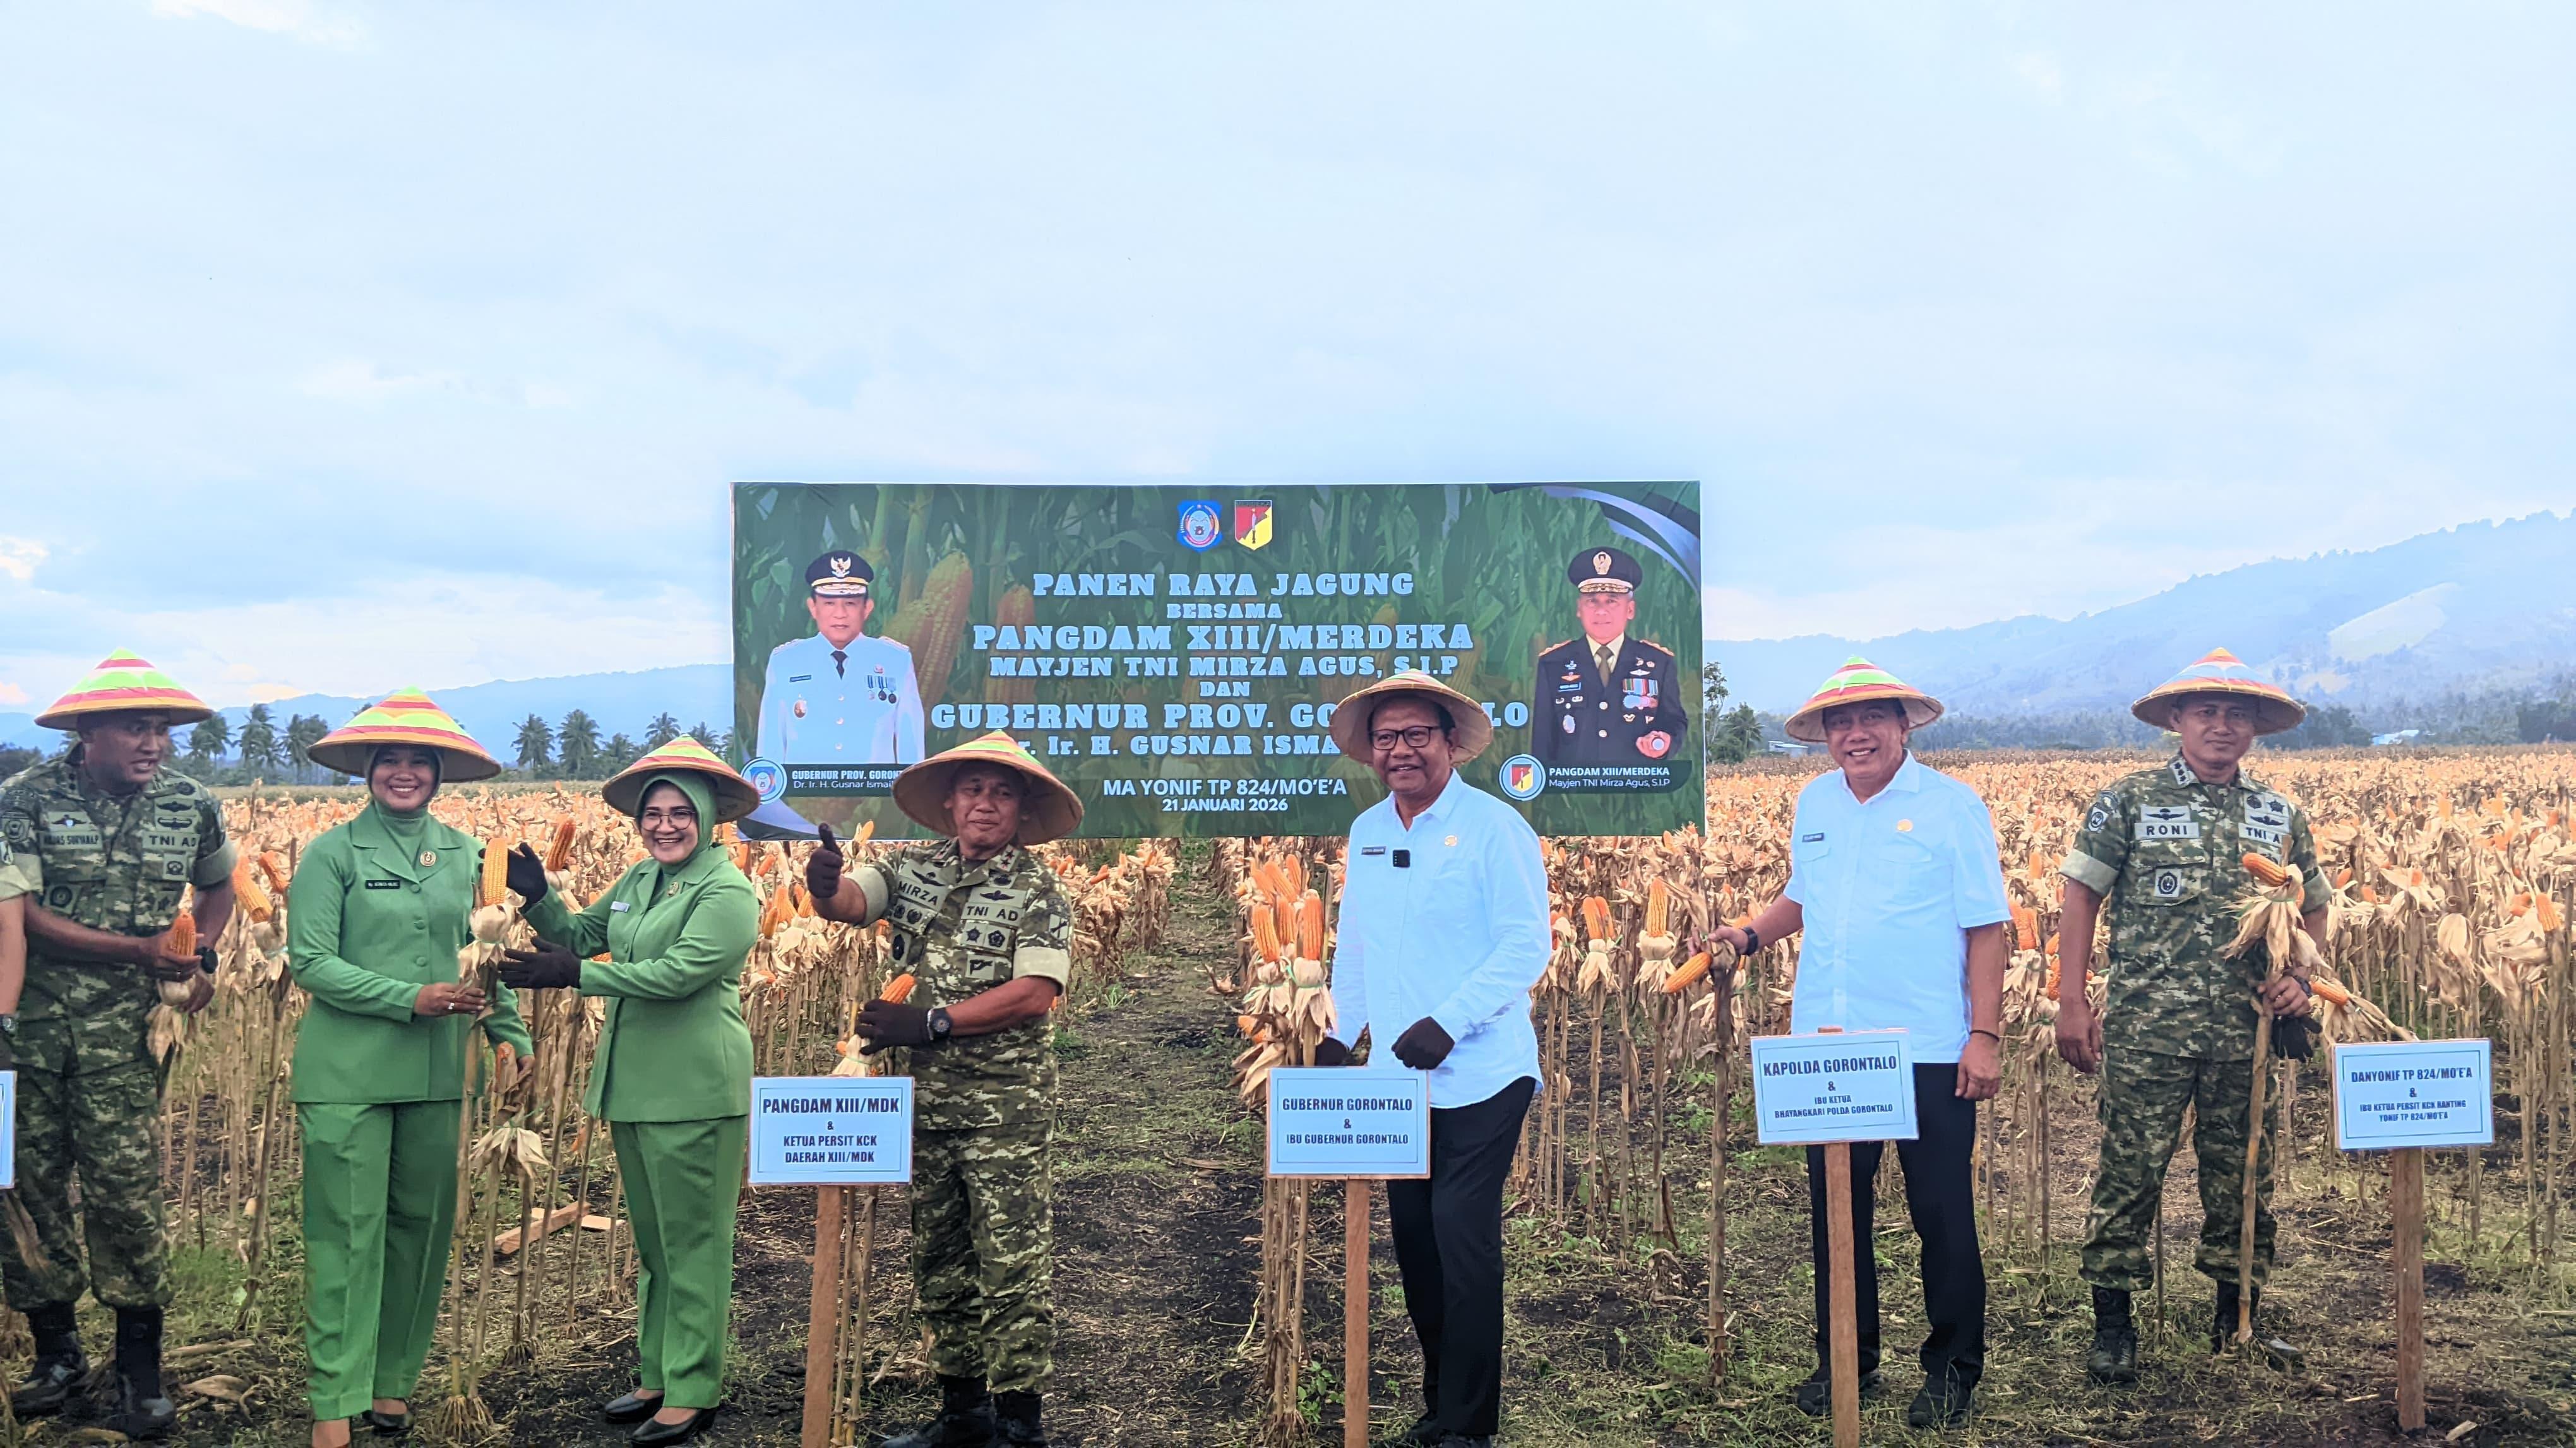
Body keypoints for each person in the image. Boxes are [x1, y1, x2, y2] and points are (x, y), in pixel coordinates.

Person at [1712, 657, 2008, 1429]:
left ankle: (1952, 1368)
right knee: (1835, 1210)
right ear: (1825, 736)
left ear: (1903, 724)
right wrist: (1747, 933)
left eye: (1871, 718)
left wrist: (1985, 1035)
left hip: (1931, 1045)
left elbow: (1986, 927)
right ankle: (1847, 1354)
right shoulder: (1815, 802)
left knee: (1940, 1212)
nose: (1855, 733)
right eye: (1840, 722)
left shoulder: (1952, 807)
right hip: (1828, 1045)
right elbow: (1801, 897)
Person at [804, 730, 1079, 1448]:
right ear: (950, 801)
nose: (985, 803)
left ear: (1021, 808)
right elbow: (849, 903)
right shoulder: (911, 868)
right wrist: (824, 880)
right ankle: (964, 1414)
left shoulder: (1039, 889)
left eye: (1002, 791)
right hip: (923, 1103)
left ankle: (1020, 1424)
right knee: (940, 1258)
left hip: (1004, 1107)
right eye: (973, 789)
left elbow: (1034, 993)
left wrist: (931, 1021)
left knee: (1011, 1261)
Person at [2058, 648, 2325, 1384]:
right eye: (2206, 710)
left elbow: (2315, 904)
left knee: (2242, 1176)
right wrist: (2072, 999)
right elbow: (2081, 897)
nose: (2221, 724)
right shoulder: (2129, 800)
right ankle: (2113, 1323)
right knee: (2130, 1173)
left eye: (2237, 713)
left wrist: (2301, 978)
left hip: (2248, 1031)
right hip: (2148, 1028)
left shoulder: (2279, 813)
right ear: (2176, 719)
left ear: (2256, 728)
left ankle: (2237, 1318)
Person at [287, 691, 537, 1448]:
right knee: (346, 1234)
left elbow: (486, 956)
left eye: (417, 761)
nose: (403, 772)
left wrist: (509, 1033)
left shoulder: (468, 855)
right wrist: (410, 997)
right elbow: (311, 962)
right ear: (367, 769)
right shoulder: (332, 854)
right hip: (348, 1074)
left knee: (421, 1232)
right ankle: (334, 1398)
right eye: (388, 759)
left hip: (438, 1074)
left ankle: (392, 1381)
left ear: (438, 772)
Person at [498, 737, 761, 1447]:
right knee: (654, 1243)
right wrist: (538, 893)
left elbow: (678, 974)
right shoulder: (642, 879)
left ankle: (696, 1386)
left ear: (707, 819)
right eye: (654, 813)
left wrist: (575, 977)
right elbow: (583, 934)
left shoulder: (728, 890)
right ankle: (657, 1371)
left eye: (681, 812)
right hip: (636, 1082)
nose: (665, 825)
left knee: (695, 1243)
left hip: (697, 1084)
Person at [1310, 670, 1549, 1448]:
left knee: (1462, 1235)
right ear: (1370, 751)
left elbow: (1526, 944)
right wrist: (1343, 1030)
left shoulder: (1493, 826)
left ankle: (1470, 1426)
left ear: (1451, 742)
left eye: (1417, 734)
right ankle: (1440, 1402)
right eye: (1387, 737)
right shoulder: (1370, 831)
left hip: (1484, 1071)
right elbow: (1360, 944)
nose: (1401, 750)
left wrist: (1448, 1020)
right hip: (1396, 1081)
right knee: (1414, 1241)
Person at [0, 651, 232, 1439]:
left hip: (128, 1036)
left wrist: (197, 955)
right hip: (18, 1029)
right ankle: (55, 1350)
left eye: (163, 729)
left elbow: (220, 885)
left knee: (125, 1189)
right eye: (137, 727)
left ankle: (139, 1365)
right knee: (20, 1188)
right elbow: (20, 916)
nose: (155, 743)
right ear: (86, 731)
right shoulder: (23, 803)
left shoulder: (190, 804)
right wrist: (138, 951)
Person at [754, 550, 926, 768]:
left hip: (874, 796)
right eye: (829, 603)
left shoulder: (895, 659)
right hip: (802, 795)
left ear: (867, 608)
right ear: (813, 608)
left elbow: (910, 746)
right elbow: (771, 744)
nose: (840, 614)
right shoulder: (786, 661)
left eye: (850, 604)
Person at [1530, 546, 1686, 766]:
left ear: (1630, 609)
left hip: (1638, 789)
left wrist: (1665, 741)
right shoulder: (1554, 663)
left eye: (1612, 600)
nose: (1601, 611)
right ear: (1579, 609)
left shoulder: (1658, 663)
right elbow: (1543, 737)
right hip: (1573, 791)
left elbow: (1674, 720)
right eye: (1592, 601)